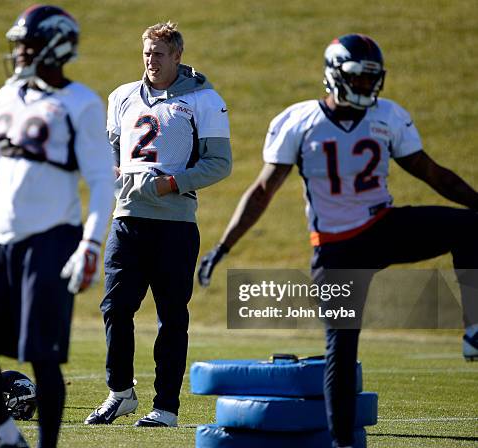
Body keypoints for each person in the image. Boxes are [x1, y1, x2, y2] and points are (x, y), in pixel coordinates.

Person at [197, 34, 478, 448]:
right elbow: (262, 192)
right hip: (334, 247)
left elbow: (433, 174)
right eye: (357, 78)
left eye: (371, 80)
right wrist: (223, 245)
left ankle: (474, 327)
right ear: (334, 76)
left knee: (471, 226)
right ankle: (343, 444)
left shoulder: (387, 116)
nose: (366, 88)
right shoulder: (299, 121)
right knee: (341, 347)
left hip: (382, 228)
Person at [0, 5, 114, 448]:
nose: (20, 52)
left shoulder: (81, 103)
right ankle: (6, 434)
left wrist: (90, 243)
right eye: (18, 44)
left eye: (29, 44)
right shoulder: (5, 95)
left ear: (57, 47)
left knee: (43, 356)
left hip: (51, 237)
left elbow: (100, 180)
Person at [84, 22, 232, 427]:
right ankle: (120, 392)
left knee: (171, 316)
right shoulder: (122, 96)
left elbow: (220, 163)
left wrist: (171, 184)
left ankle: (165, 407)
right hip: (127, 219)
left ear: (177, 56)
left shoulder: (204, 99)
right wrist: (113, 174)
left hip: (175, 225)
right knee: (115, 307)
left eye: (160, 53)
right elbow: (109, 151)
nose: (151, 60)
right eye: (147, 52)